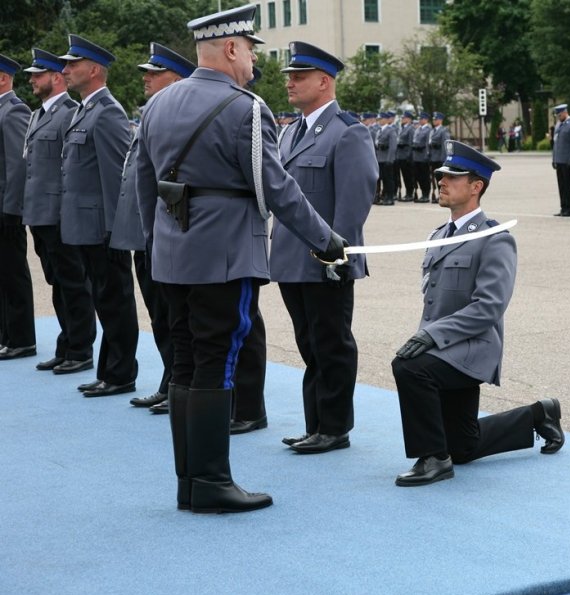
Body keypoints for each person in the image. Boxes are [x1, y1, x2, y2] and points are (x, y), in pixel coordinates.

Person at [134, 4, 346, 514]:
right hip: (224, 255)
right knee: (217, 362)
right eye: (250, 49)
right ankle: (211, 481)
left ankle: (189, 481)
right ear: (230, 48)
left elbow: (143, 186)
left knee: (185, 362)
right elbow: (277, 187)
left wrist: (157, 242)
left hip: (172, 255)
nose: (253, 60)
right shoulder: (245, 107)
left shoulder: (158, 105)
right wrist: (325, 239)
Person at [391, 140, 564, 487]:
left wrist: (431, 336)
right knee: (463, 445)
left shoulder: (495, 238)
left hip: (472, 348)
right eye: (441, 176)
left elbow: (489, 307)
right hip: (444, 347)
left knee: (409, 368)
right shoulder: (439, 235)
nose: (442, 182)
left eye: (453, 177)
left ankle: (433, 459)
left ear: (476, 187)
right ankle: (539, 414)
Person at [271, 41, 378, 454]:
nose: (291, 83)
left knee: (331, 344)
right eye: (290, 77)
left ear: (324, 81)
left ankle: (334, 428)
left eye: (299, 77)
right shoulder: (290, 132)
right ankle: (315, 423)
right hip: (289, 259)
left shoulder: (347, 132)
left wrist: (338, 257)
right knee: (309, 345)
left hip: (324, 260)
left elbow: (354, 202)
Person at [109, 43, 195, 412]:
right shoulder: (152, 117)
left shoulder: (179, 122)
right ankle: (170, 380)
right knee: (161, 315)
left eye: (154, 72)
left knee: (176, 317)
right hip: (147, 235)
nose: (145, 77)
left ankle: (180, 384)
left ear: (176, 81)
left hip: (169, 234)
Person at [59, 35, 139, 395]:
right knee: (105, 302)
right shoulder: (84, 109)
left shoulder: (107, 112)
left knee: (115, 301)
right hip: (86, 227)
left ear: (93, 70)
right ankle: (109, 370)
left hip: (103, 229)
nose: (65, 70)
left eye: (72, 64)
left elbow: (117, 178)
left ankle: (121, 374)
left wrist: (115, 232)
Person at [21, 49, 95, 372]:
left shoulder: (68, 113)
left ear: (55, 78)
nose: (31, 80)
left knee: (74, 283)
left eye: (38, 75)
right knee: (58, 283)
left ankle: (80, 350)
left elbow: (71, 169)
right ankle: (67, 344)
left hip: (60, 214)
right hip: (40, 214)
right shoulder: (38, 115)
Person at [0, 54, 36, 360]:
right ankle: (6, 334)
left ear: (3, 78)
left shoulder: (13, 110)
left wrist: (12, 210)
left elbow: (17, 165)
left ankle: (22, 338)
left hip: (5, 209)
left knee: (12, 273)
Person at [551, 104, 570, 216]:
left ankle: (569, 209)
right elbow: (555, 144)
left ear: (565, 112)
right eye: (557, 115)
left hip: (567, 161)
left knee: (568, 186)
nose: (558, 117)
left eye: (560, 115)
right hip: (559, 160)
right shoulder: (559, 125)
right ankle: (563, 207)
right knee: (561, 186)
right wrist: (554, 159)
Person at [374, 111, 398, 205]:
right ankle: (383, 196)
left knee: (388, 179)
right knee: (382, 179)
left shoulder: (390, 130)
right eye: (379, 119)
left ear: (387, 119)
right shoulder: (379, 130)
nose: (379, 120)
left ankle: (390, 197)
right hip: (379, 158)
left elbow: (393, 146)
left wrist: (389, 159)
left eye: (381, 119)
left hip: (386, 159)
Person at [428, 112, 450, 202]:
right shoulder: (432, 131)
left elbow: (445, 145)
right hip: (433, 158)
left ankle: (443, 195)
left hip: (440, 158)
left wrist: (443, 159)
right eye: (433, 119)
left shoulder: (443, 131)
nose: (434, 121)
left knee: (441, 179)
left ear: (440, 120)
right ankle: (438, 194)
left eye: (436, 119)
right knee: (435, 178)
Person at [411, 112, 432, 203]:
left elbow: (428, 144)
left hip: (423, 157)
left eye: (422, 119)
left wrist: (427, 155)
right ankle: (422, 194)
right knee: (418, 177)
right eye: (419, 119)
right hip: (416, 156)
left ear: (426, 120)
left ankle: (426, 194)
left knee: (425, 177)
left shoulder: (428, 130)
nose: (420, 120)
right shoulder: (418, 129)